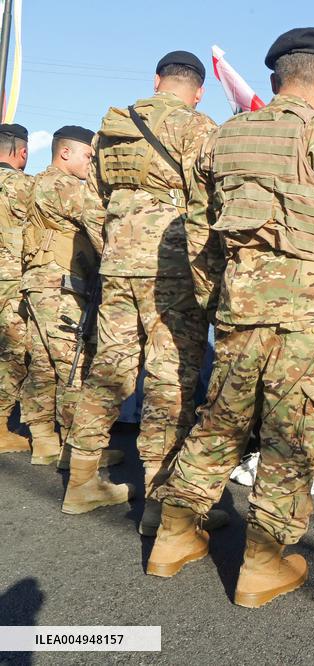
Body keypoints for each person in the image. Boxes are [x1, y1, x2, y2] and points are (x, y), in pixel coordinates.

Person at [147, 27, 314, 609]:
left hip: (240, 308)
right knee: (293, 434)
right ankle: (262, 566)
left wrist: (221, 295)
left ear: (273, 80)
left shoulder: (222, 139)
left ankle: (174, 535)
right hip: (309, 317)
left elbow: (199, 233)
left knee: (221, 421)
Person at [59, 52, 222, 530]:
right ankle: (160, 501)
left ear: (156, 81)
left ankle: (81, 480)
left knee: (109, 367)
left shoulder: (111, 127)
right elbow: (209, 203)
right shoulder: (198, 128)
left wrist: (115, 246)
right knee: (169, 380)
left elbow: (92, 204)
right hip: (170, 271)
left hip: (117, 267)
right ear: (198, 91)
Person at [19, 126, 112, 468]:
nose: (92, 163)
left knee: (42, 365)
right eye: (89, 156)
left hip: (39, 282)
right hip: (60, 285)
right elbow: (101, 227)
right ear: (65, 153)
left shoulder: (38, 182)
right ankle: (78, 450)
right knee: (74, 364)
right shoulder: (65, 186)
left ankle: (43, 441)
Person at [0, 124, 32, 454]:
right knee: (12, 354)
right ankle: (0, 427)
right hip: (10, 282)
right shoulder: (23, 186)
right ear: (22, 152)